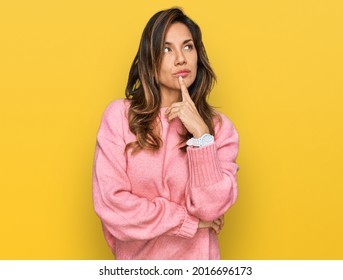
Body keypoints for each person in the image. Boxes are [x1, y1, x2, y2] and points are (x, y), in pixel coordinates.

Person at [92, 7, 239, 260]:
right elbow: (112, 207)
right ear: (150, 58)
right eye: (167, 49)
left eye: (188, 47)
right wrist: (189, 221)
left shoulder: (219, 129)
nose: (181, 58)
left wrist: (202, 136)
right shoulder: (119, 117)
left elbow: (210, 208)